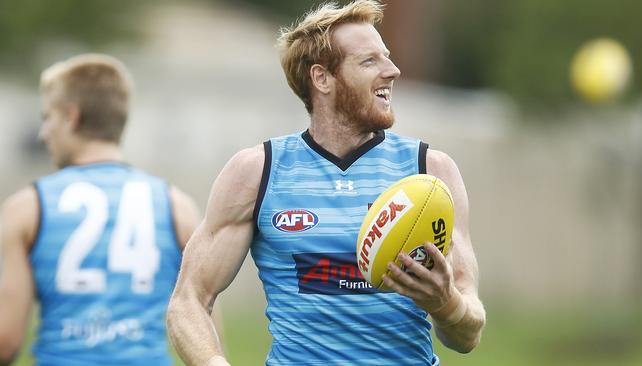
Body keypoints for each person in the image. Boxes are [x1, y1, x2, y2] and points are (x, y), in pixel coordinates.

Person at [167, 0, 486, 365]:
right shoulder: (259, 172)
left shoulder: (430, 172)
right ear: (322, 79)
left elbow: (469, 334)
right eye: (370, 61)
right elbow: (188, 300)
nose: (393, 70)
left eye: (388, 56)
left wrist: (445, 304)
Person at [0, 54, 201, 366]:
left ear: (72, 116)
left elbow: (6, 342)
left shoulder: (27, 208)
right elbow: (206, 344)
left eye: (47, 117)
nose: (43, 133)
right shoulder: (178, 207)